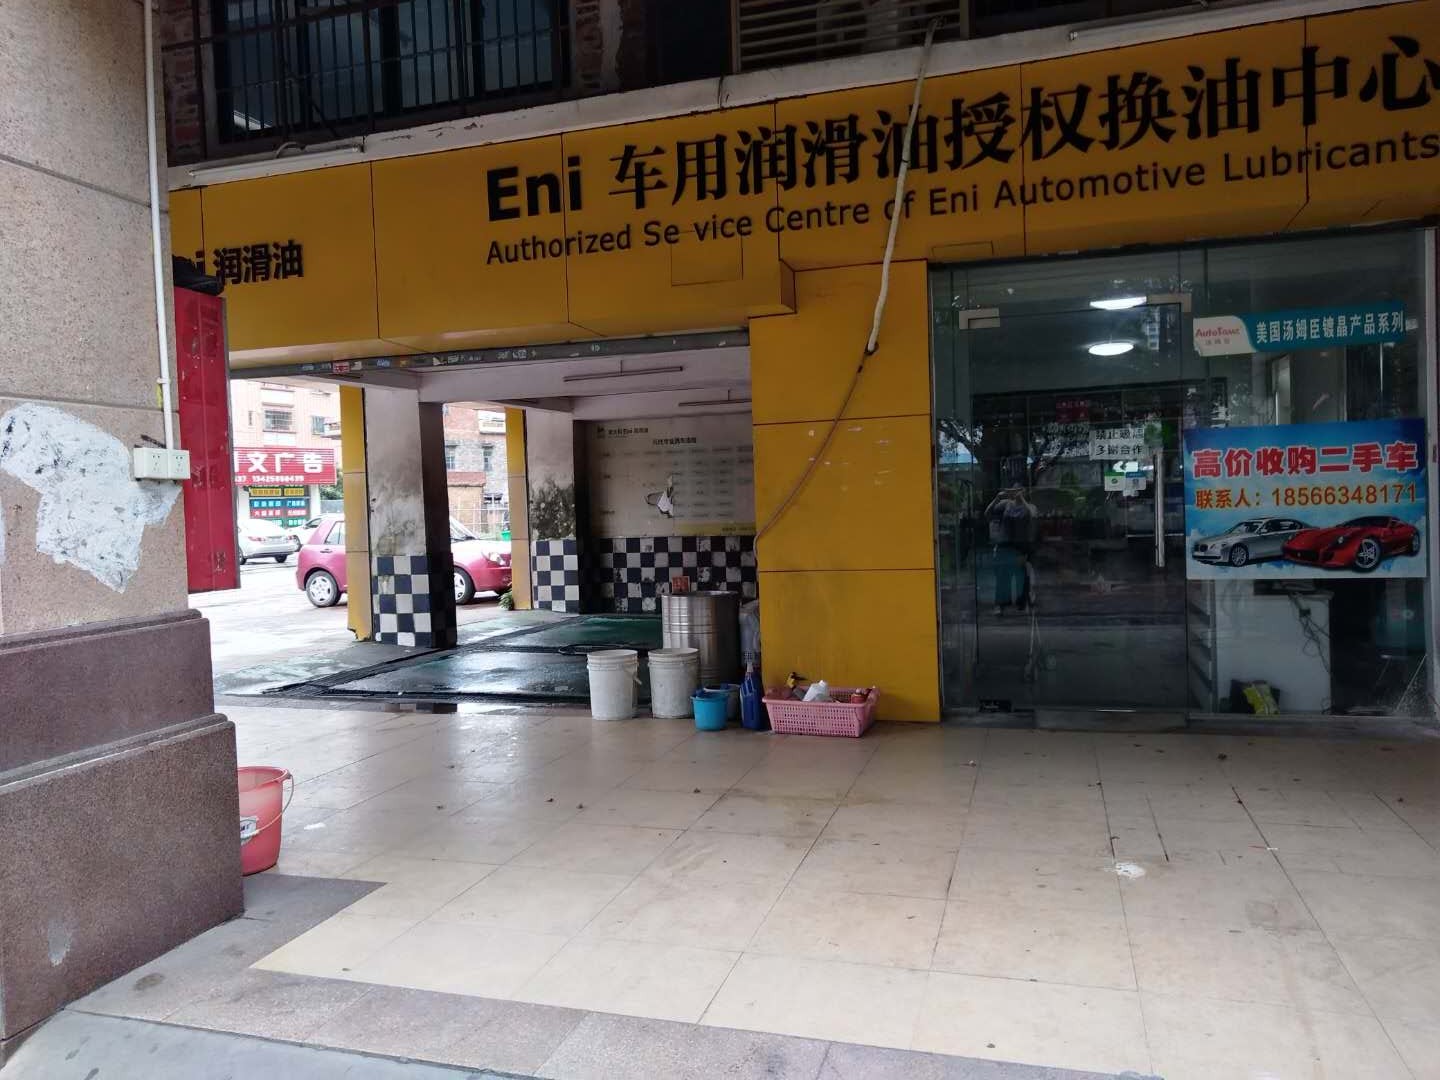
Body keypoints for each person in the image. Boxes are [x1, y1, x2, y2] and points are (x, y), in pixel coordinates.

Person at [985, 486, 1036, 613]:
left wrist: (1022, 499)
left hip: (1020, 547)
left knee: (1021, 576)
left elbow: (1033, 515)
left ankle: (1022, 603)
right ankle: (1001, 603)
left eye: (1020, 489)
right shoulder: (1005, 504)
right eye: (1014, 489)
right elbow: (988, 514)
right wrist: (997, 498)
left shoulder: (1029, 506)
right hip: (1005, 545)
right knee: (1003, 576)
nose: (1016, 492)